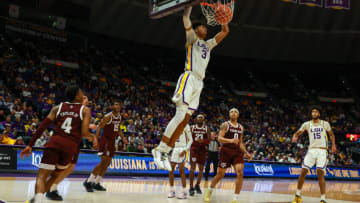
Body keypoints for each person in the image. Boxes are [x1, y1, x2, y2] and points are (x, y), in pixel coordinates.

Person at [152, 5, 230, 171]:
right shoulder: (192, 38)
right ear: (195, 30)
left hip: (199, 83)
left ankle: (165, 151)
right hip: (189, 77)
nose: (205, 28)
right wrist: (189, 4)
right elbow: (185, 19)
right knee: (180, 115)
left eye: (205, 26)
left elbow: (224, 33)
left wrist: (224, 20)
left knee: (186, 120)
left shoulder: (207, 45)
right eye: (202, 26)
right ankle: (159, 149)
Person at [21, 85, 95, 203]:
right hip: (69, 147)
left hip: (55, 143)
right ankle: (37, 199)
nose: (83, 94)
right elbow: (85, 133)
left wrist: (30, 144)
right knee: (55, 176)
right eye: (81, 92)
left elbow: (42, 126)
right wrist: (93, 137)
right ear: (76, 96)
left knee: (41, 177)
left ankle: (37, 199)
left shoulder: (58, 108)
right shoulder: (85, 110)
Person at [44, 96, 98, 201]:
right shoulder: (75, 110)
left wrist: (92, 134)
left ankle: (52, 187)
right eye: (84, 98)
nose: (87, 99)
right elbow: (77, 128)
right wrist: (90, 131)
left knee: (69, 168)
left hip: (75, 143)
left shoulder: (84, 111)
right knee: (65, 168)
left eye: (87, 98)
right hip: (69, 142)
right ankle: (51, 188)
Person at [204, 108, 252, 203]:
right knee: (220, 174)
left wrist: (246, 152)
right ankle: (209, 190)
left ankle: (235, 198)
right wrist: (230, 140)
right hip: (226, 151)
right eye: (231, 112)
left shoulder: (241, 127)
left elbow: (240, 142)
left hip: (237, 152)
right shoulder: (225, 124)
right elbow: (219, 138)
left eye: (235, 112)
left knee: (240, 172)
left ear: (238, 115)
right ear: (229, 114)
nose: (233, 113)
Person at [291, 106, 336, 203]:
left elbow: (331, 134)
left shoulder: (325, 123)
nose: (314, 113)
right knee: (303, 171)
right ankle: (297, 195)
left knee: (320, 173)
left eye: (316, 112)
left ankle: (323, 199)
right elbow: (298, 132)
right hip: (311, 150)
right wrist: (295, 136)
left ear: (319, 114)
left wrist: (333, 145)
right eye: (313, 112)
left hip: (322, 151)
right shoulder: (307, 124)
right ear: (311, 114)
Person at [83, 101, 127, 192]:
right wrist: (96, 140)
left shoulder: (119, 117)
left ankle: (97, 183)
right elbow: (99, 127)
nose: (118, 105)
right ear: (112, 106)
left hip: (112, 142)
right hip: (105, 141)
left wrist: (123, 138)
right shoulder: (108, 116)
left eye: (119, 104)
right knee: (103, 162)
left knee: (108, 163)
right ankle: (88, 181)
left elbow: (118, 129)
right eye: (116, 104)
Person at [168, 124, 193, 199]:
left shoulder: (186, 125)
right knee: (170, 170)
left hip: (183, 148)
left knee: (181, 171)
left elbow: (191, 140)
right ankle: (172, 190)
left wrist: (185, 150)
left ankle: (184, 192)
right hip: (175, 149)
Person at [189, 114, 210, 196]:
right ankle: (191, 187)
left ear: (203, 120)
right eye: (199, 117)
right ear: (196, 119)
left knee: (201, 169)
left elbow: (209, 140)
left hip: (202, 150)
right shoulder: (192, 127)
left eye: (201, 118)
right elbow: (189, 138)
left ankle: (197, 185)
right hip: (194, 149)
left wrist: (203, 141)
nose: (200, 119)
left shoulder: (206, 128)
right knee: (193, 168)